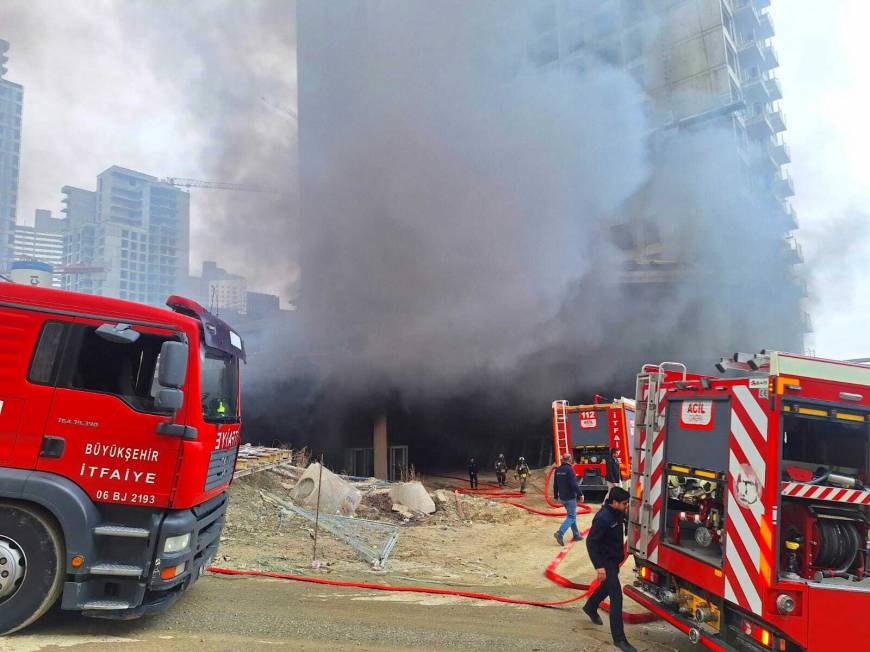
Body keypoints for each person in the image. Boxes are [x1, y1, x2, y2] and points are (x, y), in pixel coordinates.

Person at [582, 486, 635, 652]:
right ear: (614, 502)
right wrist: (599, 566)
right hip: (606, 563)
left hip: (614, 560)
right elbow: (591, 542)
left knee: (605, 587)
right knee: (617, 598)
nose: (627, 506)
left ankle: (590, 607)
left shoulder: (617, 513)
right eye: (625, 504)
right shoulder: (603, 518)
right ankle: (619, 639)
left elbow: (626, 517)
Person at [552, 454, 584, 545]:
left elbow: (555, 484)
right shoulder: (570, 470)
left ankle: (576, 535)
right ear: (569, 460)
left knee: (571, 515)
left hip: (562, 497)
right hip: (570, 497)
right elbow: (574, 484)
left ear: (562, 460)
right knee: (571, 516)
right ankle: (560, 533)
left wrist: (555, 496)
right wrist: (580, 494)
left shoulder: (558, 470)